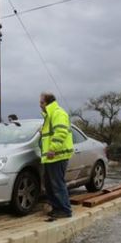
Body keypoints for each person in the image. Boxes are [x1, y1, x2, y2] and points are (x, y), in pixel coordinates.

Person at [39, 92, 74, 221]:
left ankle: (65, 210)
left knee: (57, 184)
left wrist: (53, 148)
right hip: (51, 157)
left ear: (47, 103)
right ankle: (57, 208)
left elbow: (61, 132)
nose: (40, 105)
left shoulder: (57, 113)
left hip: (57, 155)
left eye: (41, 102)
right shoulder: (49, 115)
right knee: (50, 184)